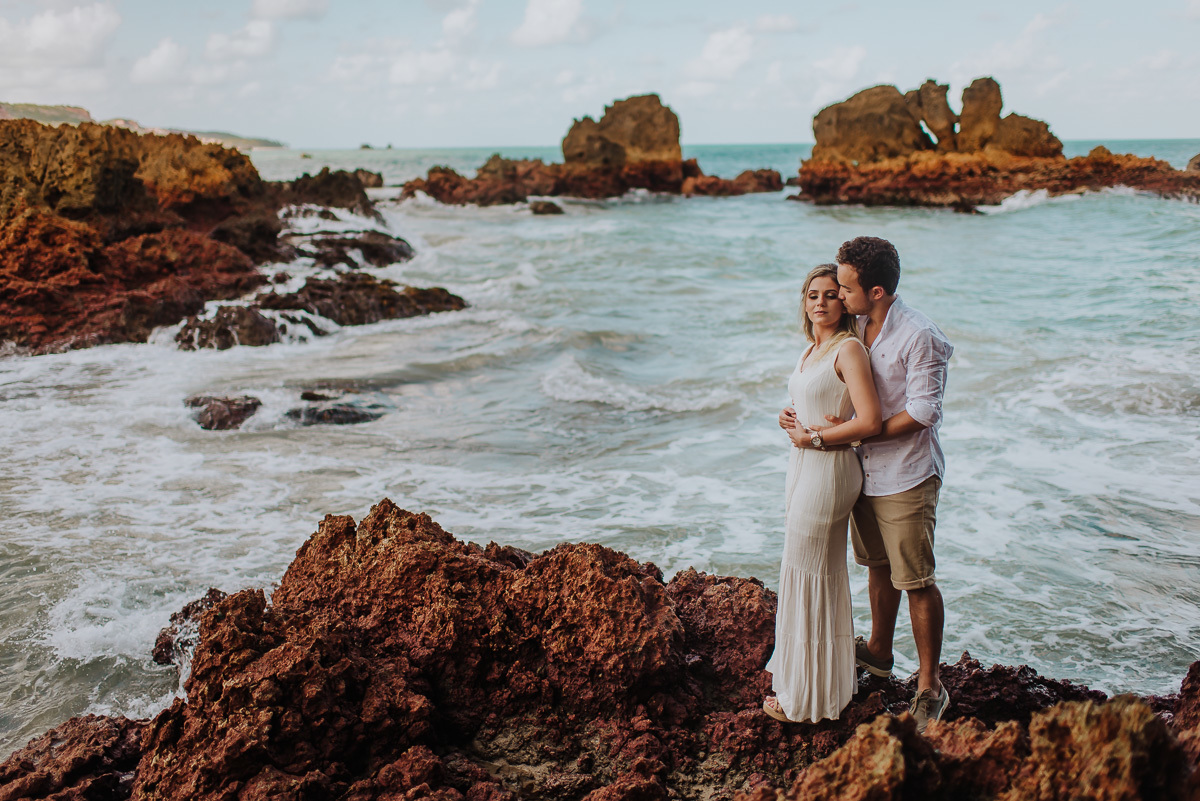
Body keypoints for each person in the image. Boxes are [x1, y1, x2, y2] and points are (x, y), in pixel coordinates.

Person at [822, 236, 955, 734]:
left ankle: (930, 685)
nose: (838, 292)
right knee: (877, 566)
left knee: (915, 580)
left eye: (846, 286)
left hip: (906, 475)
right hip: (863, 471)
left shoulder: (921, 335)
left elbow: (925, 411)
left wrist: (867, 427)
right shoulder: (854, 324)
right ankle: (878, 653)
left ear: (877, 291)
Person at [763, 264, 882, 723]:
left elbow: (868, 421)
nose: (820, 302)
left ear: (845, 302)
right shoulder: (812, 348)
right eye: (813, 294)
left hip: (828, 468)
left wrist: (813, 437)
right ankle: (825, 685)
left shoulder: (849, 348)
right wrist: (792, 418)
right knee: (813, 570)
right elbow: (819, 405)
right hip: (806, 463)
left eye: (832, 294)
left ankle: (807, 699)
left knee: (810, 571)